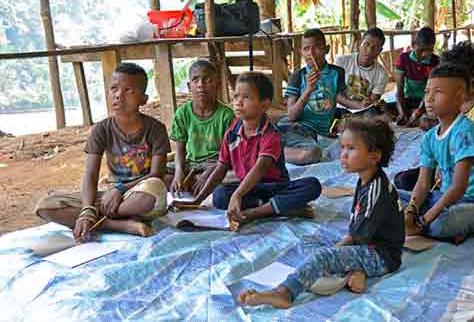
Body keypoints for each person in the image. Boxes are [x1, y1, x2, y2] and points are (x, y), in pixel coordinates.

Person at [237, 118, 403, 308]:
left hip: (381, 255)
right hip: (364, 243)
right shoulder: (365, 179)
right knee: (309, 241)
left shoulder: (377, 190)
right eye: (342, 147)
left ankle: (285, 292)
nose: (343, 155)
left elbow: (358, 236)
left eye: (351, 149)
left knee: (323, 256)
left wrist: (332, 252)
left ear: (374, 156)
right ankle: (353, 272)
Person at [35, 63, 170, 242]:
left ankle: (101, 217)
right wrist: (87, 210)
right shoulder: (101, 130)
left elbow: (156, 175)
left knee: (153, 190)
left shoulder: (155, 129)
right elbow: (90, 175)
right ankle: (118, 225)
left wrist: (119, 190)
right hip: (108, 197)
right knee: (45, 205)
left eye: (128, 90)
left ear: (143, 99)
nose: (118, 95)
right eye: (114, 89)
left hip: (136, 194)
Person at [177, 71, 322, 231]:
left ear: (264, 105)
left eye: (246, 98)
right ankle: (281, 208)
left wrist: (237, 195)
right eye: (236, 97)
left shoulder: (270, 135)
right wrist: (197, 201)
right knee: (220, 196)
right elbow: (221, 167)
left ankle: (253, 213)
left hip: (274, 186)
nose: (238, 102)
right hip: (249, 189)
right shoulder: (232, 132)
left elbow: (260, 168)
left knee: (312, 185)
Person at [401, 63, 474, 242]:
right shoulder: (430, 137)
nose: (429, 98)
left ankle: (468, 225)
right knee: (392, 197)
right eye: (427, 92)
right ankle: (449, 228)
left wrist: (423, 221)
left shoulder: (465, 132)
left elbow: (458, 188)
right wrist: (411, 211)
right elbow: (423, 183)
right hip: (444, 198)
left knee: (439, 224)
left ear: (459, 95)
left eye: (437, 92)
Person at [278, 28, 364, 165]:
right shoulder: (298, 77)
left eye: (316, 47)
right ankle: (267, 152)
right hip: (294, 127)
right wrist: (308, 90)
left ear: (327, 49)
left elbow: (341, 97)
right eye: (306, 49)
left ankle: (270, 148)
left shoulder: (337, 72)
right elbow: (292, 115)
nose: (310, 53)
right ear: (301, 52)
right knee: (313, 153)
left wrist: (363, 104)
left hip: (314, 133)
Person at [165, 60, 235, 195]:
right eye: (195, 80)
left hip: (216, 164)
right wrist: (179, 172)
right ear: (189, 85)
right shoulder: (183, 113)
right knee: (161, 174)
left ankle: (197, 183)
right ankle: (195, 183)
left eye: (208, 80)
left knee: (233, 176)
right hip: (191, 164)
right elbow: (180, 150)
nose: (201, 85)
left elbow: (230, 155)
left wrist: (208, 173)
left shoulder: (226, 115)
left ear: (218, 85)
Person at [394, 26, 439, 126]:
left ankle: (416, 115)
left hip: (426, 100)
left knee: (428, 121)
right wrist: (402, 112)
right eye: (421, 50)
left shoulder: (435, 62)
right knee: (386, 112)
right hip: (408, 99)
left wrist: (418, 112)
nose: (424, 54)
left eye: (429, 50)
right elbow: (399, 89)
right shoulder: (403, 59)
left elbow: (429, 92)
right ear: (413, 45)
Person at [334, 27, 388, 109]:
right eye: (367, 44)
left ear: (380, 51)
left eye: (375, 47)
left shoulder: (382, 75)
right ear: (360, 43)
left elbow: (372, 100)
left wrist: (371, 103)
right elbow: (334, 93)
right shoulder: (342, 62)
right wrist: (357, 105)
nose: (369, 50)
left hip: (362, 113)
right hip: (338, 109)